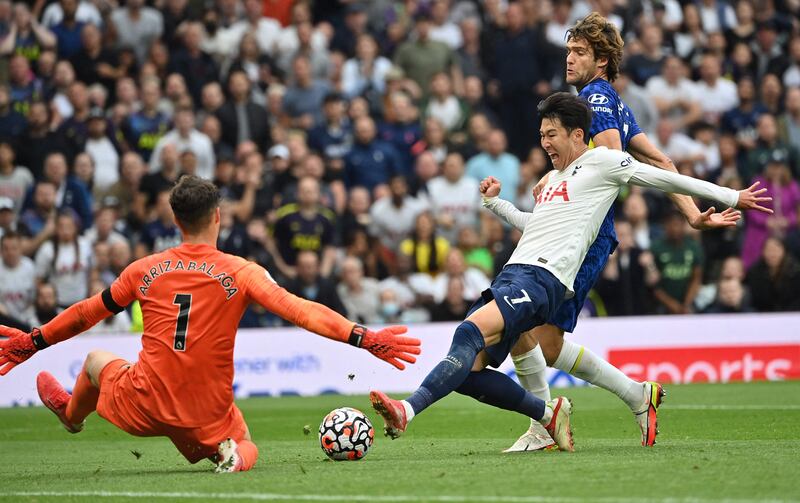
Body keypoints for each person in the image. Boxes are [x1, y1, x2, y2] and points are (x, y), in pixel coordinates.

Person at [368, 92, 770, 452]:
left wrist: (732, 195)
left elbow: (664, 176)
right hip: (514, 273)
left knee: (468, 333)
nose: (545, 143)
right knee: (470, 373)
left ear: (578, 134)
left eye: (552, 134)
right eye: (541, 135)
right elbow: (535, 224)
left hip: (541, 280)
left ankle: (406, 410)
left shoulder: (606, 164)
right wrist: (495, 205)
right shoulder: (556, 179)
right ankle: (548, 415)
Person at [0, 175, 420, 473]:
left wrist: (33, 341)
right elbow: (300, 310)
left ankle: (73, 416)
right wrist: (363, 337)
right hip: (206, 413)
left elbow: (87, 312)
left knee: (95, 357)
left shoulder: (143, 269)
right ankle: (234, 458)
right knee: (246, 441)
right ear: (217, 217)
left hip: (144, 401)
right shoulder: (241, 272)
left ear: (176, 220)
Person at [500, 13, 742, 453]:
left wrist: (561, 176)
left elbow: (612, 160)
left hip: (584, 234)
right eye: (568, 51)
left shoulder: (596, 97)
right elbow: (662, 162)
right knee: (544, 342)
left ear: (603, 59)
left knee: (526, 331)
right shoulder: (614, 100)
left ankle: (545, 426)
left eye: (579, 52)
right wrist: (691, 215)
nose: (569, 59)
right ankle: (633, 396)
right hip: (588, 233)